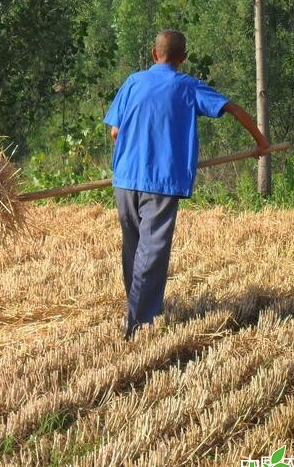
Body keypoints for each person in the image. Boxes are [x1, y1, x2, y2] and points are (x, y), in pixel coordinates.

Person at [104, 29, 270, 341]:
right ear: (183, 58)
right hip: (162, 180)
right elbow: (232, 107)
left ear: (154, 54)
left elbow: (115, 132)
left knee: (134, 250)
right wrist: (260, 141)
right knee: (151, 252)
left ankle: (138, 309)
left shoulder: (133, 82)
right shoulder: (188, 86)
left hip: (125, 178)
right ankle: (138, 324)